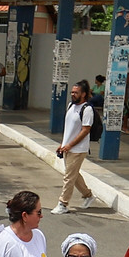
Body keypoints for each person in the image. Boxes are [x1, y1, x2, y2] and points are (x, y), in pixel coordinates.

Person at [52, 79, 97, 214]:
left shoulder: (87, 109)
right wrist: (63, 143)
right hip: (68, 147)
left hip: (78, 149)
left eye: (76, 92)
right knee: (73, 175)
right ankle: (88, 195)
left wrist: (70, 145)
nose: (73, 94)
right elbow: (69, 128)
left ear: (83, 94)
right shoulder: (71, 105)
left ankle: (63, 203)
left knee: (68, 177)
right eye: (72, 92)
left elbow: (85, 130)